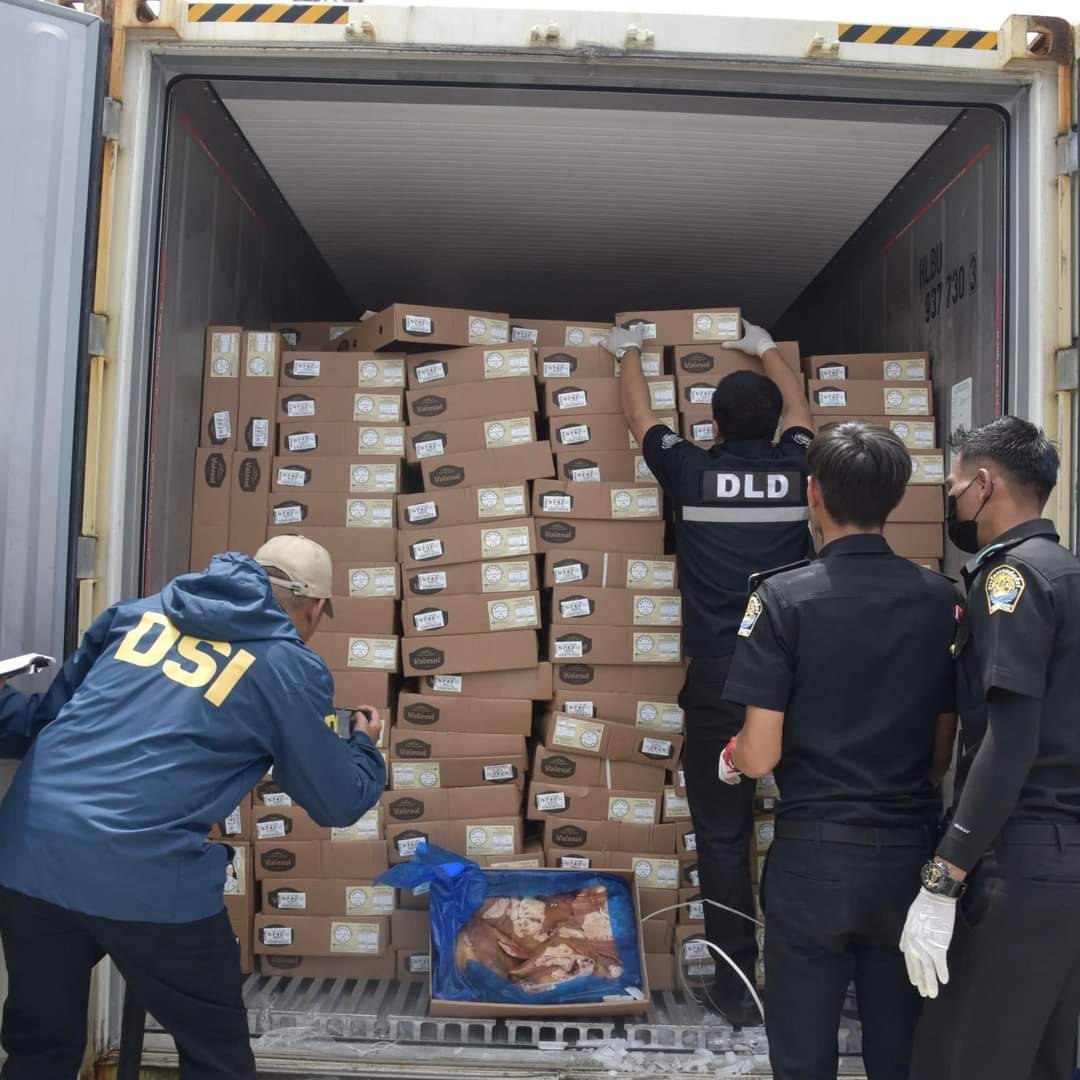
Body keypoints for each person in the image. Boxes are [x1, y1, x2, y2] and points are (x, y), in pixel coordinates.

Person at [0, 536, 385, 1080]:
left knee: (40, 1048)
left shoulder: (137, 614)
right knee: (215, 1055)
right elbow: (337, 801)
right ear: (315, 607)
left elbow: (50, 718)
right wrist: (365, 747)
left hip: (28, 852)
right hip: (144, 871)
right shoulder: (286, 665)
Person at [720, 421, 958, 1079]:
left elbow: (759, 757)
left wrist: (733, 756)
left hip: (814, 857)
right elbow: (940, 756)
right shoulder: (942, 599)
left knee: (802, 1055)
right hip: (907, 857)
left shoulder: (781, 598)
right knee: (900, 1053)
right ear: (896, 498)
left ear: (814, 494)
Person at [599, 319, 814, 1026]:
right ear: (774, 424)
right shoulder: (798, 467)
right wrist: (767, 347)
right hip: (797, 678)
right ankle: (804, 978)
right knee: (807, 820)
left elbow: (641, 417)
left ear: (714, 424)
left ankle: (736, 989)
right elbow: (802, 408)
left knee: (723, 836)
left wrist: (629, 352)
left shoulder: (691, 471)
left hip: (722, 679)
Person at [901, 417, 1080, 1080]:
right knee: (1040, 1061)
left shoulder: (1014, 582)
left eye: (954, 489)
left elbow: (1009, 740)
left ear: (983, 485)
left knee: (960, 1060)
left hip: (1021, 860)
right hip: (1060, 862)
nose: (953, 502)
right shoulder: (1067, 573)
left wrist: (944, 876)